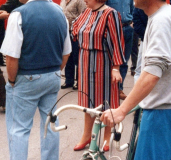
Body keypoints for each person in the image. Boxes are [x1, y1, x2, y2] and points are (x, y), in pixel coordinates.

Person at [101, 0, 171, 160]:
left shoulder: (162, 20)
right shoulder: (167, 15)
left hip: (162, 115)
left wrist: (121, 111)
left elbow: (152, 73)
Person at [0, 0, 71, 159]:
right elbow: (66, 52)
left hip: (27, 76)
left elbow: (11, 56)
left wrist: (12, 82)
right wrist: (56, 71)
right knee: (50, 123)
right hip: (52, 75)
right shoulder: (60, 13)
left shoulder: (19, 14)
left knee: (19, 128)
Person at [71, 0, 125, 152]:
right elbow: (74, 29)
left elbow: (117, 42)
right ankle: (87, 135)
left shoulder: (111, 14)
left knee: (106, 101)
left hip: (103, 62)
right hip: (85, 61)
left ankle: (107, 137)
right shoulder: (86, 11)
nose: (84, 0)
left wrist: (116, 68)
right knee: (87, 101)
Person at [106, 0, 134, 100]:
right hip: (114, 29)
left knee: (125, 61)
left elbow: (132, 8)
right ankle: (111, 88)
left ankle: (119, 89)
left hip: (127, 28)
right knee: (113, 60)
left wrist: (131, 22)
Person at [60, 0, 86, 90]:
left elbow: (83, 15)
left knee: (77, 58)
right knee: (68, 57)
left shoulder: (79, 1)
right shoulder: (63, 1)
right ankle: (69, 80)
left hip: (76, 33)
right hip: (66, 33)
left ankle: (79, 81)